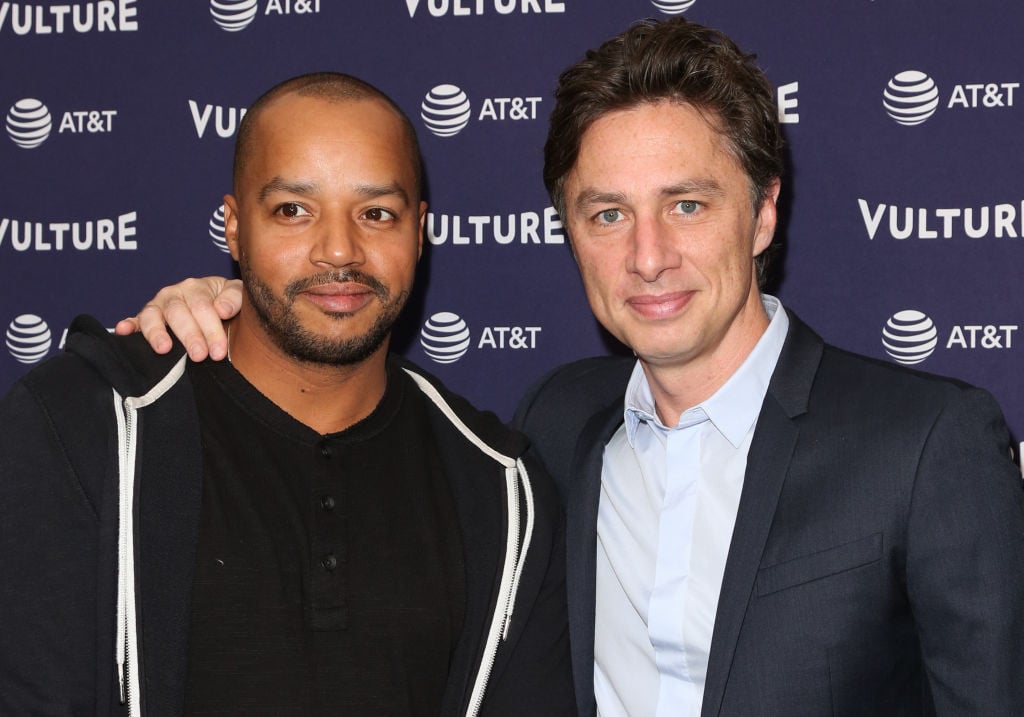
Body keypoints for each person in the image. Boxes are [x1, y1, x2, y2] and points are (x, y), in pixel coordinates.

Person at [116, 18, 1024, 717]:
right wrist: (225, 309)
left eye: (688, 204)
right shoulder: (548, 428)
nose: (649, 255)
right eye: (607, 215)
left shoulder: (927, 442)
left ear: (763, 215)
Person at [0, 72, 575, 716]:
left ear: (419, 232)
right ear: (234, 228)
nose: (338, 250)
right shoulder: (83, 425)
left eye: (376, 213)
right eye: (293, 211)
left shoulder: (499, 489)